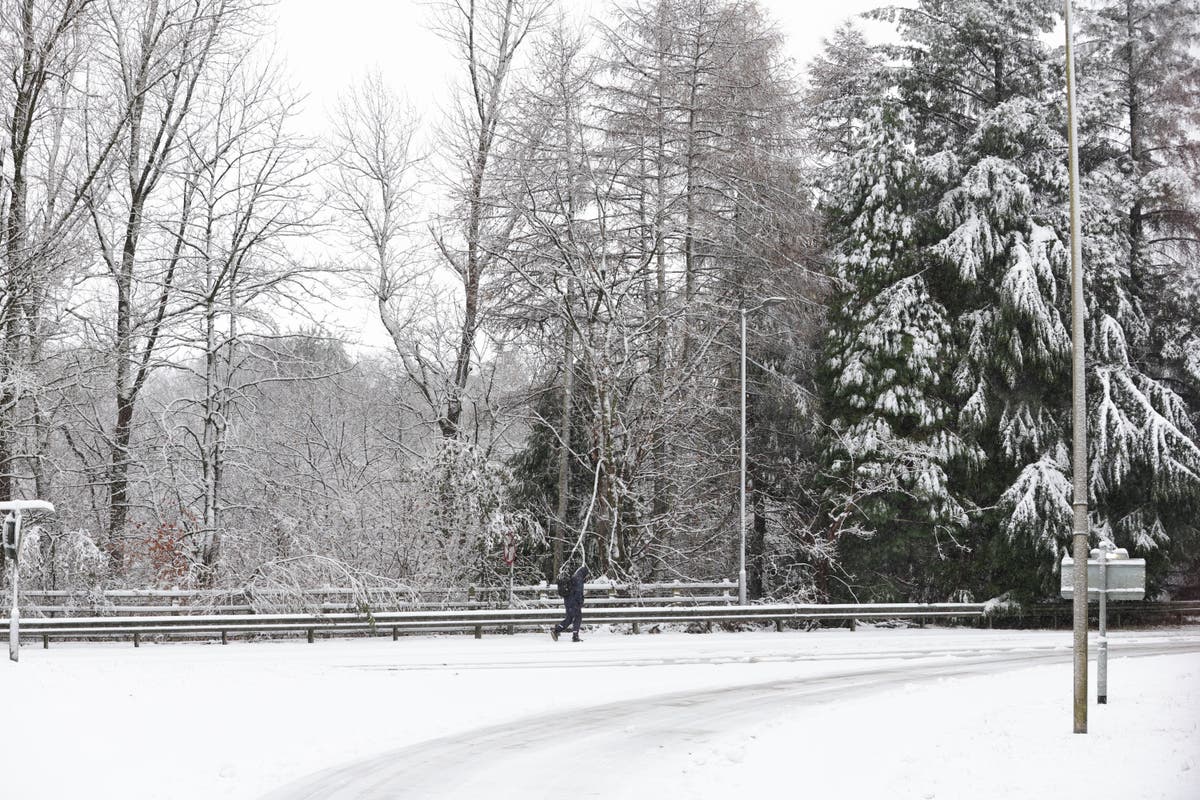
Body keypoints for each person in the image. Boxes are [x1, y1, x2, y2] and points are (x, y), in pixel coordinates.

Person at [551, 563, 589, 642]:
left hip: (568, 601)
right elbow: (578, 592)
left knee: (569, 618)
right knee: (578, 618)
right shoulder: (579, 578)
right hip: (574, 602)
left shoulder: (574, 577)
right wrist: (580, 602)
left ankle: (556, 631)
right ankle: (575, 636)